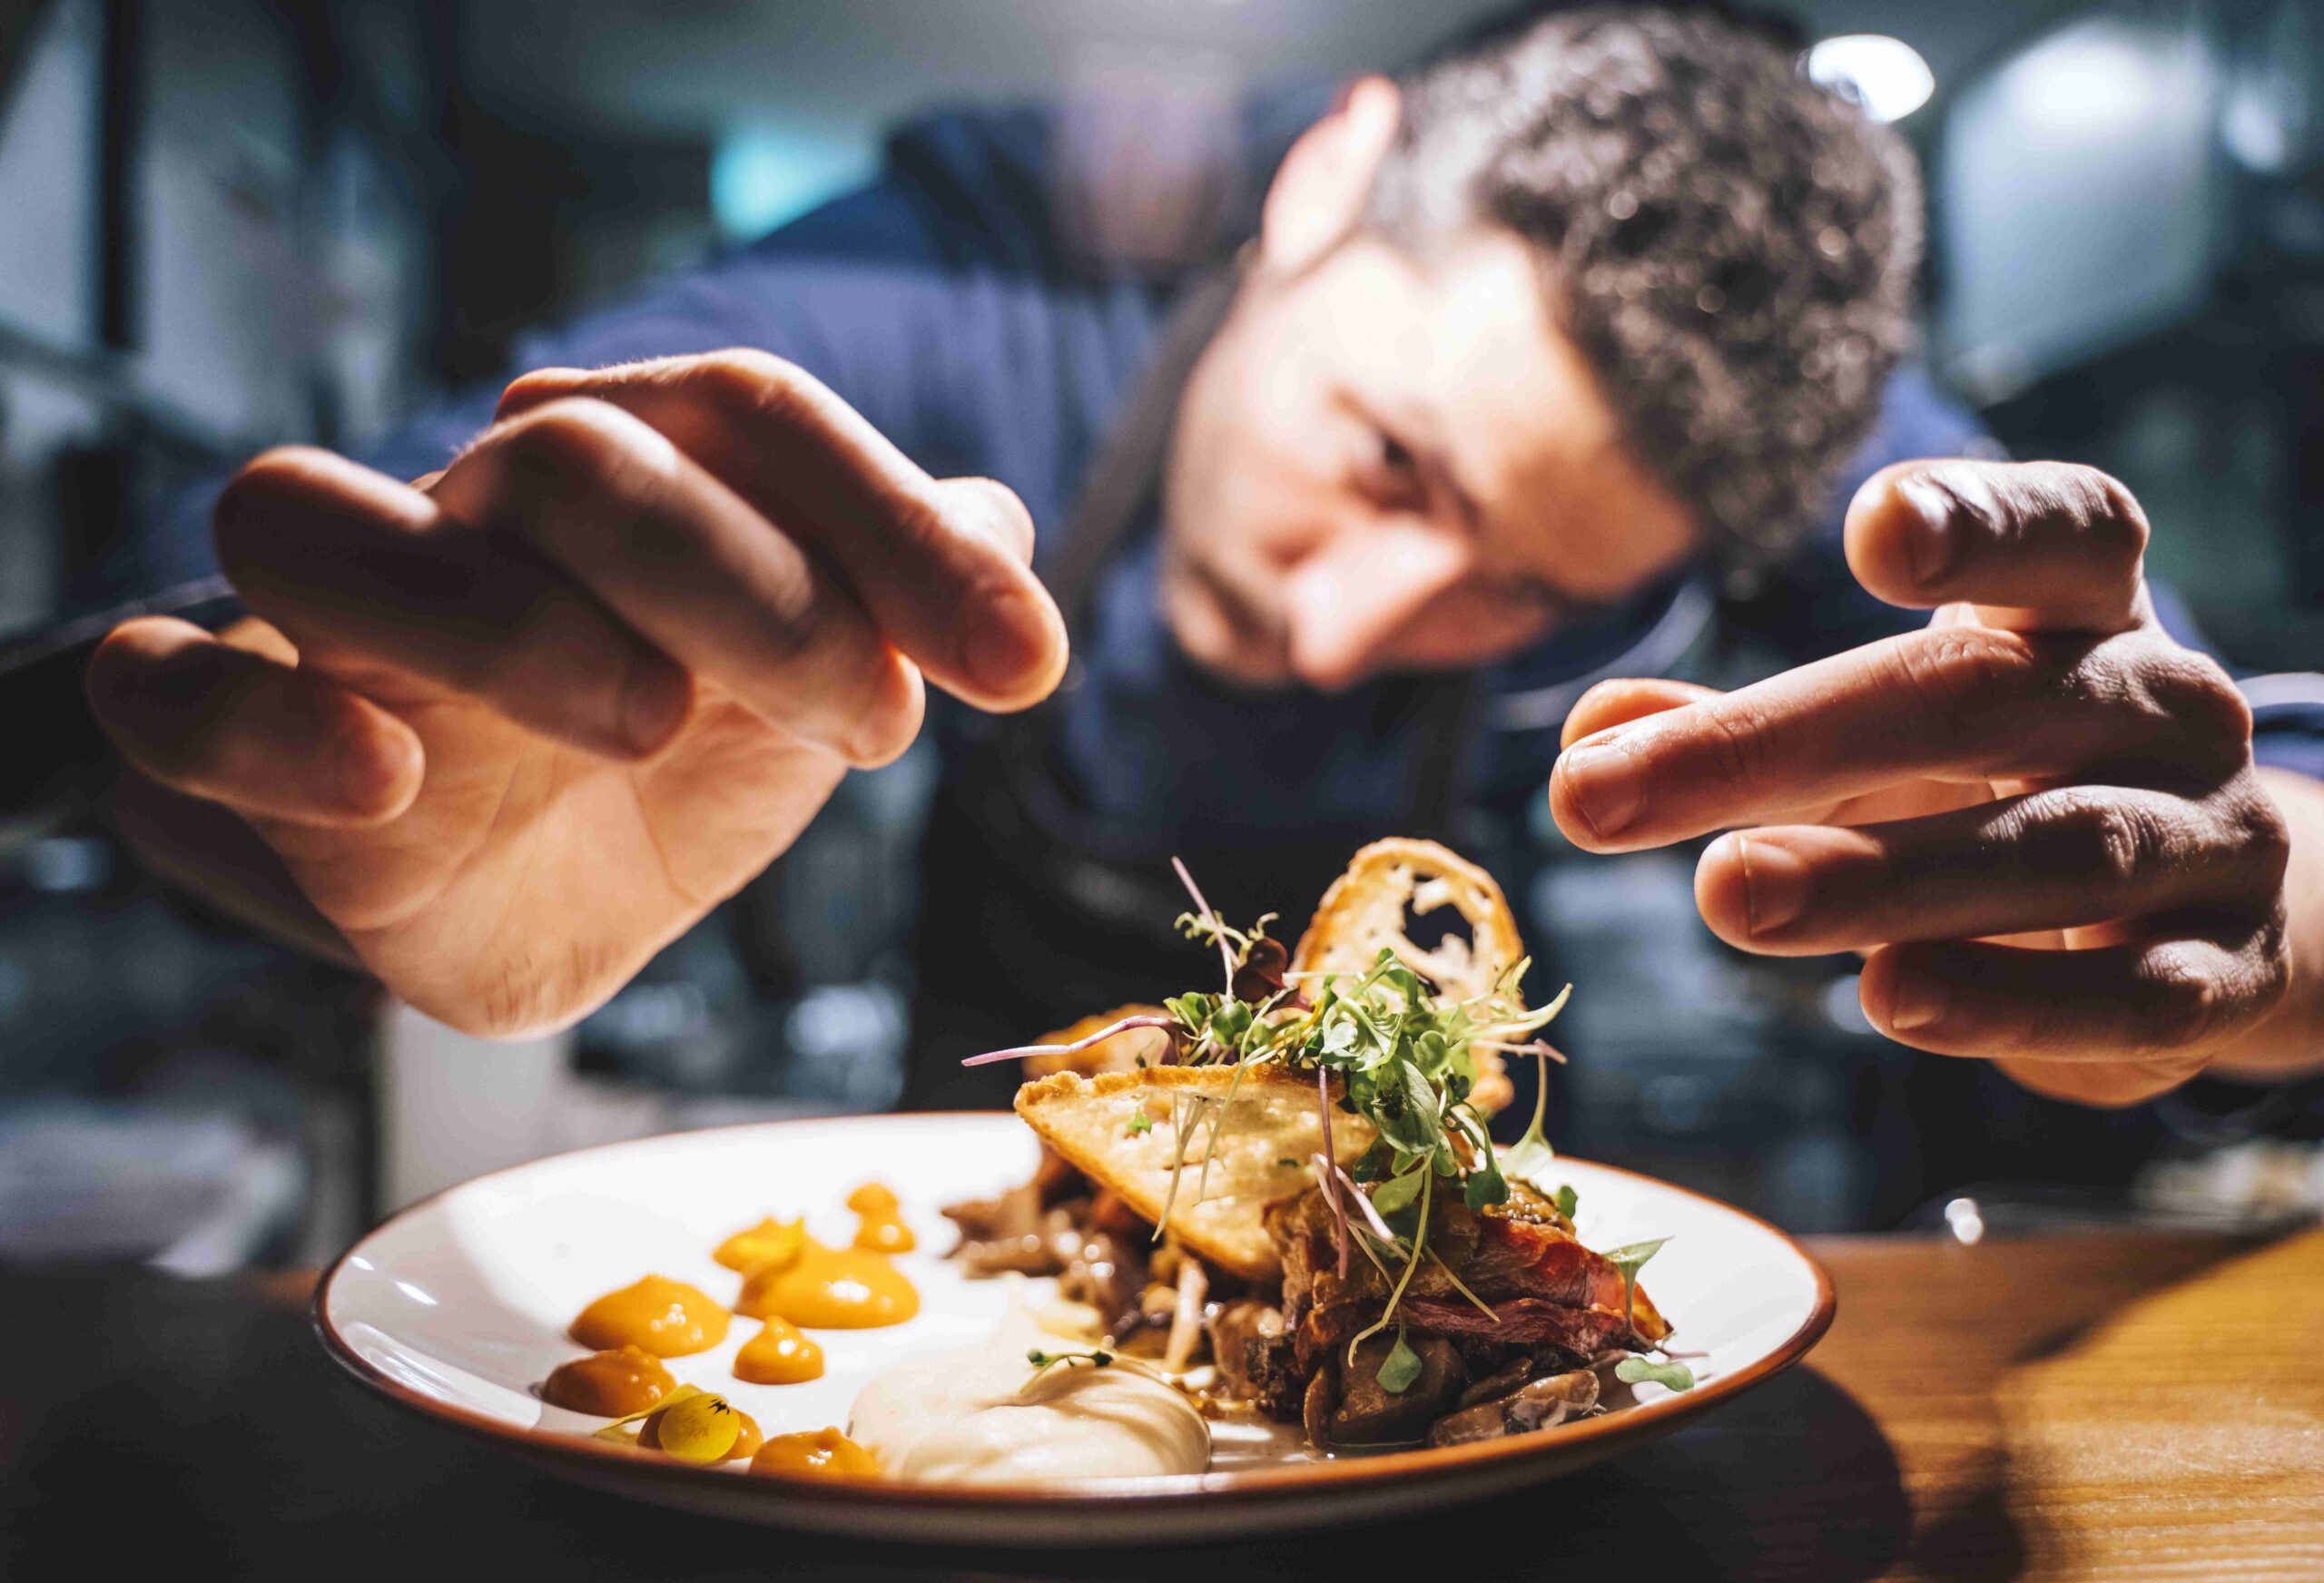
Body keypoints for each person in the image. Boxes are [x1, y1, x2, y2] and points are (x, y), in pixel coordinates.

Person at [12, 8, 2322, 1129]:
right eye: (1387, 461)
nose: (1354, 631)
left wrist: (2232, 908)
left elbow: (2206, 776)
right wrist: (334, 755)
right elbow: (173, 629)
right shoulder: (982, 282)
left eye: (1526, 597)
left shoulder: (1793, 451)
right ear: (1321, 186)